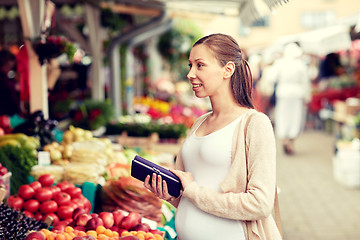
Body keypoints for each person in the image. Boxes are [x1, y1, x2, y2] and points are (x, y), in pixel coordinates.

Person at [144, 33, 281, 240]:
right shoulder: (199, 122)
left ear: (228, 70)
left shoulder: (254, 124)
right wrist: (171, 194)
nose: (190, 74)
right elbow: (190, 193)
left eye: (200, 65)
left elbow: (260, 204)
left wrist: (194, 192)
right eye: (190, 65)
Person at [271, 43, 311, 155]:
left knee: (283, 117)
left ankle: (284, 140)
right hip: (297, 95)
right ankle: (291, 142)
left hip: (283, 94)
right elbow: (305, 83)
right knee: (295, 118)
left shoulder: (280, 63)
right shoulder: (300, 65)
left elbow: (271, 77)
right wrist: (307, 97)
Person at [0, 49, 21, 116]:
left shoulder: (5, 76)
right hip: (5, 113)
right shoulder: (2, 78)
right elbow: (8, 86)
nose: (9, 69)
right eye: (8, 66)